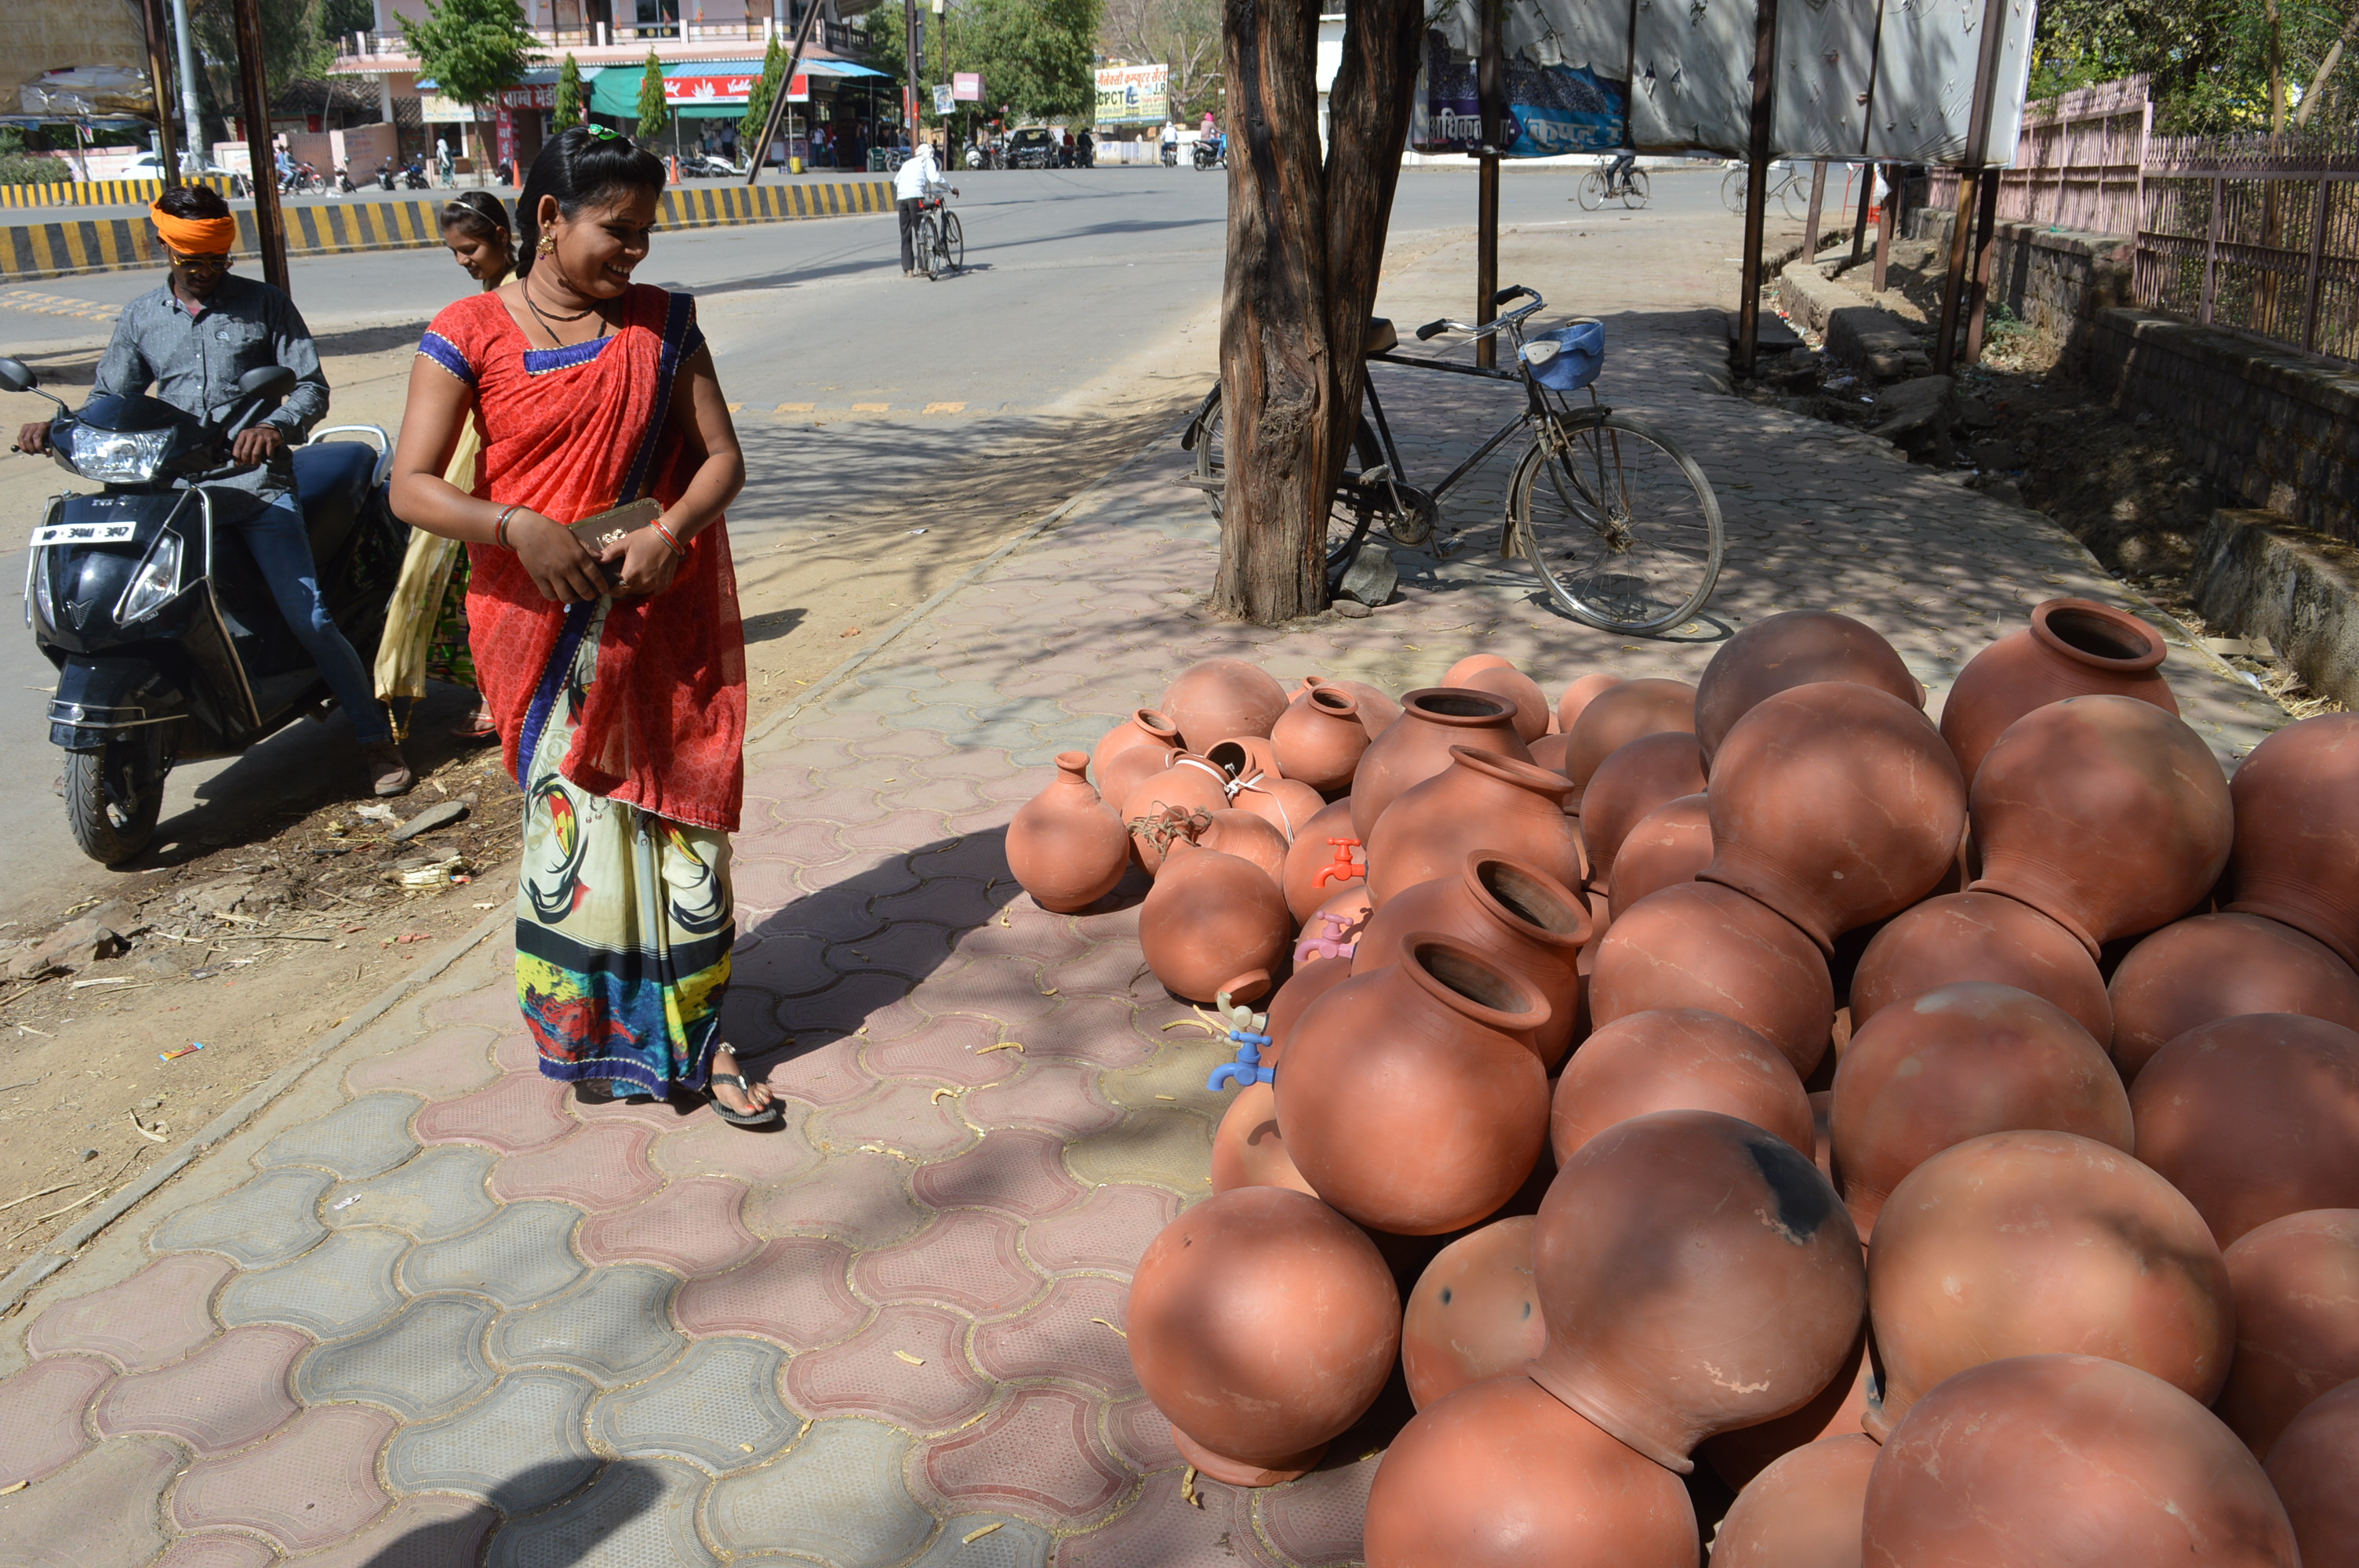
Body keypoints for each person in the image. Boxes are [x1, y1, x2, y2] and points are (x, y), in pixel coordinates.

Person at [387, 125, 776, 1128]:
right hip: (538, 626)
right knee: (579, 841)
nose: (635, 252)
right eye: (619, 230)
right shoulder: (469, 329)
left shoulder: (662, 323)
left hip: (658, 615)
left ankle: (703, 1037)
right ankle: (599, 1032)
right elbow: (412, 485)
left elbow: (721, 458)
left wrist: (672, 532)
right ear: (550, 217)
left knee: (682, 835)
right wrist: (515, 526)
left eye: (646, 233)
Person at [15, 185, 411, 797]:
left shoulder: (265, 304)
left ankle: (373, 740)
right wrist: (59, 426)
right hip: (171, 494)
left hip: (253, 489)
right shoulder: (141, 317)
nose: (204, 270)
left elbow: (310, 387)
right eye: (191, 259)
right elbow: (110, 400)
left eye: (216, 258)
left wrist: (275, 426)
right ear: (165, 248)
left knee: (308, 615)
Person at [376, 190, 514, 744]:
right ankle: (495, 690)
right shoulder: (487, 298)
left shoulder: (518, 297)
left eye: (470, 249)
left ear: (502, 236)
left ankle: (500, 696)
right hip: (464, 467)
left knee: (485, 585)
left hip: (492, 470)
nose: (462, 260)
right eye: (454, 251)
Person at [892, 138, 953, 277]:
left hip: (902, 198)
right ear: (930, 154)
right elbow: (935, 178)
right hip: (916, 198)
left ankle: (908, 270)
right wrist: (950, 188)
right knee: (921, 231)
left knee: (905, 234)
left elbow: (896, 181)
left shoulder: (907, 163)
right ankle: (922, 267)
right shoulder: (928, 161)